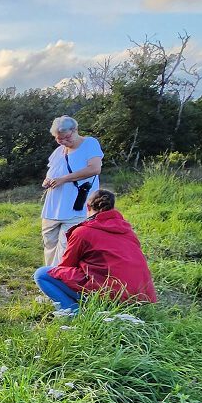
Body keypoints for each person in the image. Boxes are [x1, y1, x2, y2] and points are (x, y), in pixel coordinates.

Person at [34, 189, 156, 317]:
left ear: (87, 207)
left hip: (110, 294)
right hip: (140, 296)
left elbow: (66, 266)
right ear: (113, 208)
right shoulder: (128, 231)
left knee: (42, 274)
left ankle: (73, 313)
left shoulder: (82, 232)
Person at [41, 115, 103, 266]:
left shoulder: (90, 143)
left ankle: (61, 279)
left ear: (75, 130)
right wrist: (47, 182)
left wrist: (64, 179)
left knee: (66, 247)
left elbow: (95, 169)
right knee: (49, 244)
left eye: (66, 137)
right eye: (58, 138)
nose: (62, 141)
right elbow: (50, 175)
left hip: (76, 208)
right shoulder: (58, 152)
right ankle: (49, 277)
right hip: (52, 208)